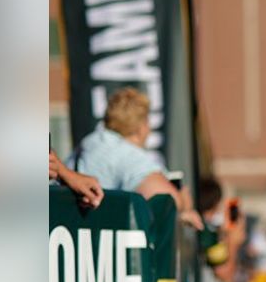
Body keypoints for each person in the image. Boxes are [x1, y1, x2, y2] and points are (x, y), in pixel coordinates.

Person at [66, 87, 201, 229]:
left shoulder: (89, 143)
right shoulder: (127, 155)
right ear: (141, 127)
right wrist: (185, 205)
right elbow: (166, 200)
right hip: (101, 240)